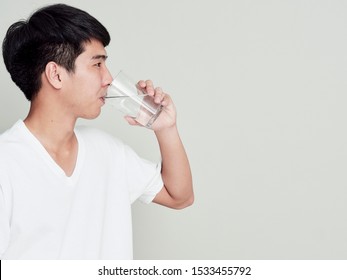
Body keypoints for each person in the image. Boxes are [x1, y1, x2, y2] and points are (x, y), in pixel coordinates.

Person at [0, 3, 193, 259]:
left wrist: (165, 128)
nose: (109, 78)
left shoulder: (108, 150)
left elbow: (179, 196)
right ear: (55, 75)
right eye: (97, 64)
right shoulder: (7, 164)